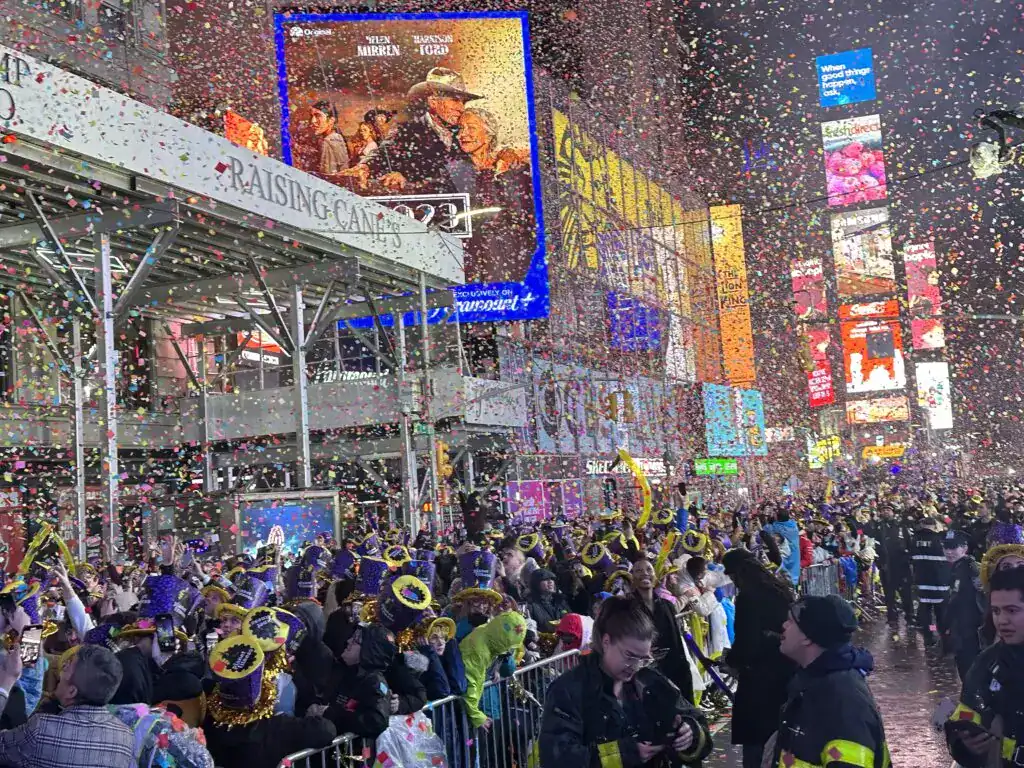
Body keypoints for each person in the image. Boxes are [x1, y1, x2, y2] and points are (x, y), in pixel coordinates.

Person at [538, 595, 713, 767]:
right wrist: (623, 754)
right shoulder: (569, 690)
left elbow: (695, 720)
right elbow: (557, 758)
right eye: (629, 655)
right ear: (606, 642)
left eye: (644, 658)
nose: (636, 666)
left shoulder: (652, 681)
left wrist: (690, 733)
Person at [772, 595, 890, 768]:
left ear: (808, 637)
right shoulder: (811, 679)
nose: (784, 626)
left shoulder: (843, 699)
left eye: (790, 622)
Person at [0, 643, 135, 768]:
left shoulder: (41, 729)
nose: (61, 669)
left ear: (72, 692)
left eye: (67, 667)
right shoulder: (126, 736)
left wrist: (8, 679)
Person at [721, 548, 797, 768]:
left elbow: (747, 639)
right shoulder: (781, 589)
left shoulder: (748, 597)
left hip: (758, 678)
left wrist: (732, 661)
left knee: (755, 743)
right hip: (785, 670)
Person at [945, 567, 1024, 768]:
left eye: (1012, 610)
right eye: (996, 611)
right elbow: (966, 714)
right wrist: (964, 745)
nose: (1002, 621)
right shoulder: (987, 663)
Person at [366, 67, 482, 193]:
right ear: (433, 102)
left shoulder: (463, 132)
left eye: (463, 102)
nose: (461, 108)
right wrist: (364, 167)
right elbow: (382, 154)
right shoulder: (408, 130)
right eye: (455, 100)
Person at [630, 558, 694, 703]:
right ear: (632, 577)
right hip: (646, 675)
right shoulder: (627, 608)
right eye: (639, 571)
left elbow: (676, 642)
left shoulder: (667, 606)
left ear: (655, 575)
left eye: (649, 570)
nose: (645, 574)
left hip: (675, 669)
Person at [938, 530, 985, 680]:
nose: (949, 551)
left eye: (953, 547)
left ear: (964, 548)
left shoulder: (971, 568)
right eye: (946, 547)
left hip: (970, 630)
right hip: (960, 629)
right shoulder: (957, 566)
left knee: (970, 674)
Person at [867, 503, 914, 625]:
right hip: (886, 566)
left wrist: (909, 559)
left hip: (901, 565)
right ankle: (892, 618)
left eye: (888, 510)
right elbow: (864, 533)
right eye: (884, 510)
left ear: (893, 512)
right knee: (889, 594)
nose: (886, 512)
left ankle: (910, 617)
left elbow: (910, 543)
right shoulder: (877, 527)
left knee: (906, 593)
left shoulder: (901, 526)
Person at [911, 516, 951, 643]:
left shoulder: (915, 539)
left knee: (926, 612)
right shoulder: (940, 539)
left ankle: (930, 635)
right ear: (935, 526)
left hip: (922, 582)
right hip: (940, 583)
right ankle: (942, 636)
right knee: (940, 613)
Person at [307, 100, 349, 178]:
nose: (313, 121)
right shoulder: (329, 139)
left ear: (331, 120)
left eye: (318, 116)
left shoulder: (333, 139)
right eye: (311, 116)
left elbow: (342, 170)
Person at [527, 567, 571, 634]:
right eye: (545, 579)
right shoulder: (530, 605)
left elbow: (572, 619)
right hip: (543, 642)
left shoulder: (560, 601)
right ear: (536, 584)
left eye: (551, 579)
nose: (550, 581)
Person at [764, 509, 801, 585]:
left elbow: (765, 529)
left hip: (785, 556)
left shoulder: (777, 527)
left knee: (784, 580)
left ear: (778, 518)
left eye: (775, 515)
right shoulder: (793, 525)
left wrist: (769, 521)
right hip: (795, 555)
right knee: (792, 579)